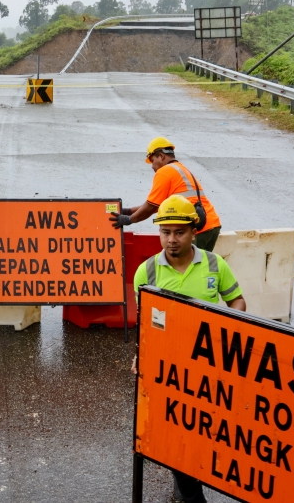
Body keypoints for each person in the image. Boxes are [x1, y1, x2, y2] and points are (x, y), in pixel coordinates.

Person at [131, 195, 245, 503]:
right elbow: (146, 324)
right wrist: (141, 353)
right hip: (171, 366)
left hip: (210, 364)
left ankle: (191, 480)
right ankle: (188, 489)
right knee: (176, 430)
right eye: (165, 232)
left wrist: (231, 331)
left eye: (179, 232)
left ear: (194, 232)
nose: (171, 239)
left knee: (207, 428)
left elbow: (236, 300)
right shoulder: (146, 273)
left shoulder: (214, 264)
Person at [110, 136, 223, 251]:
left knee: (185, 266)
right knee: (201, 266)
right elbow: (156, 204)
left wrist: (129, 220)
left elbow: (151, 206)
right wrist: (128, 211)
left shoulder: (164, 172)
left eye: (153, 161)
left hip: (195, 228)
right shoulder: (180, 169)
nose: (152, 166)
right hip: (211, 225)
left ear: (161, 156)